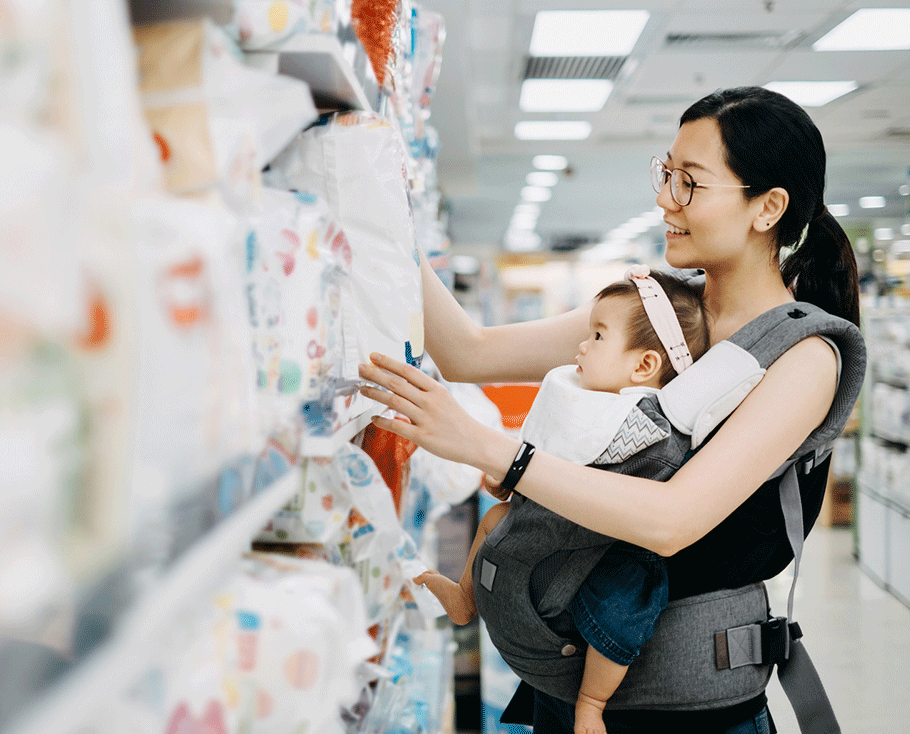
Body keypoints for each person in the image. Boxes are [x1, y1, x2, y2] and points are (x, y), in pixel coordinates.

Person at [356, 86, 862, 733]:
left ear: (768, 207)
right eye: (666, 174)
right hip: (561, 679)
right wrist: (374, 204)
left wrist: (495, 450)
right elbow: (469, 353)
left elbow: (672, 520)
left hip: (688, 709)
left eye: (691, 184)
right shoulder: (657, 310)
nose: (664, 200)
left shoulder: (803, 355)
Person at [412, 268, 709, 734]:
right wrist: (513, 481)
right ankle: (463, 598)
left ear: (644, 366)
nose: (582, 345)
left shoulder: (642, 425)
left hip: (600, 551)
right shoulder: (587, 398)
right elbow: (546, 461)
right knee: (495, 518)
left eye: (597, 335)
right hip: (542, 523)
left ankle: (591, 700)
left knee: (622, 602)